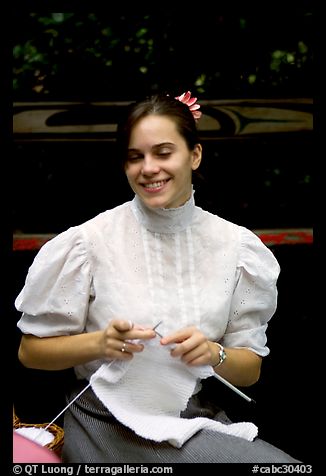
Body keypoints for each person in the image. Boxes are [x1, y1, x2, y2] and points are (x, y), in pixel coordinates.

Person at [15, 91, 300, 463]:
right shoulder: (88, 243)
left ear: (195, 155)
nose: (148, 168)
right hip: (105, 423)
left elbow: (249, 371)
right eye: (135, 157)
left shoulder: (237, 247)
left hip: (196, 419)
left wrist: (213, 353)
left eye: (163, 153)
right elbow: (30, 352)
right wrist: (100, 343)